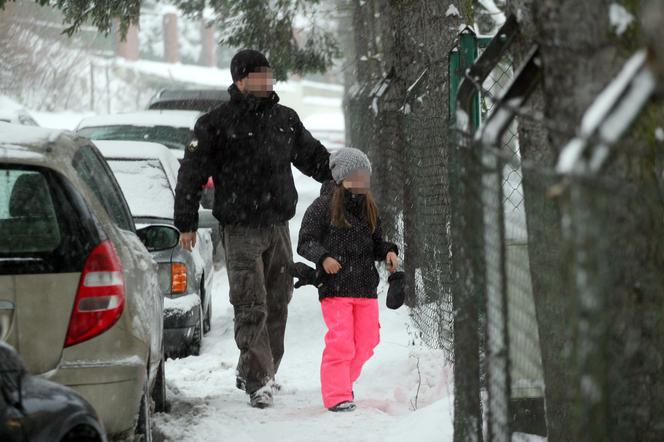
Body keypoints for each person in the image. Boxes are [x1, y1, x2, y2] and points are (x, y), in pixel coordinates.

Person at [174, 49, 332, 409]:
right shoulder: (215, 124)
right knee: (251, 304)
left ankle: (262, 370)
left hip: (278, 226)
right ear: (240, 80)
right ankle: (258, 381)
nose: (266, 81)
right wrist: (186, 221)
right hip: (241, 228)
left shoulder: (285, 120)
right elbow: (191, 173)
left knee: (279, 301)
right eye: (258, 75)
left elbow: (313, 158)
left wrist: (339, 177)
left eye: (269, 74)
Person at [296, 148, 399, 412]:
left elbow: (376, 242)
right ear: (343, 177)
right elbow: (305, 241)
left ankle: (342, 382)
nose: (364, 179)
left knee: (367, 341)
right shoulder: (322, 207)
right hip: (335, 288)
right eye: (359, 174)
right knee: (341, 342)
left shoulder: (368, 208)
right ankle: (337, 395)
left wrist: (387, 251)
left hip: (365, 287)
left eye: (366, 174)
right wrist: (323, 257)